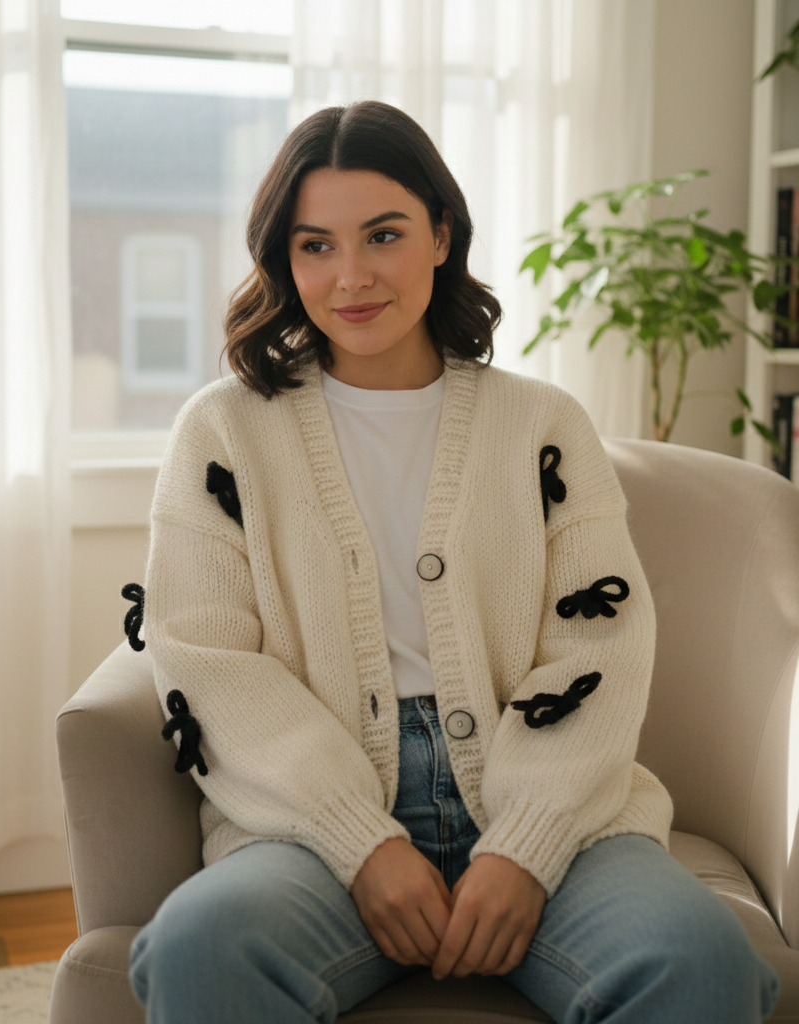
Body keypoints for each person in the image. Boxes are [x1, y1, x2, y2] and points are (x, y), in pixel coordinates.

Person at [128, 100, 780, 1023]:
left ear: (441, 233)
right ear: (284, 259)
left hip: (551, 799)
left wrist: (529, 844)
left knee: (701, 963)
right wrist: (361, 842)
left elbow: (603, 646)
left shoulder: (543, 424)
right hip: (310, 821)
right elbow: (205, 658)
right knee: (199, 951)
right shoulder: (223, 431)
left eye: (382, 235)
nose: (349, 276)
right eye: (314, 246)